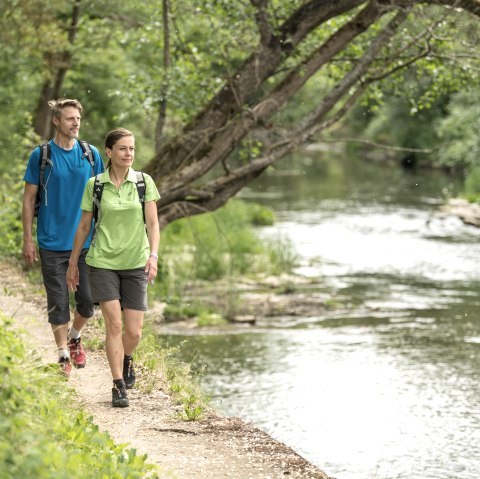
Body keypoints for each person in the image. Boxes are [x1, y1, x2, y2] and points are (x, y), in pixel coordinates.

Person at [66, 127, 160, 408]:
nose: (128, 153)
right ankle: (118, 385)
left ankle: (127, 358)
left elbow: (153, 224)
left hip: (136, 263)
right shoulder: (95, 185)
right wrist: (73, 262)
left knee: (134, 333)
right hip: (103, 262)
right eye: (122, 148)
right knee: (114, 324)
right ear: (109, 152)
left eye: (131, 149)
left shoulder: (144, 183)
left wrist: (153, 256)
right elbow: (84, 225)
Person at [22, 99, 104, 377]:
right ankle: (62, 356)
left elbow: (104, 198)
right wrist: (27, 240)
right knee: (58, 301)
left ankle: (75, 335)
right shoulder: (41, 156)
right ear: (56, 121)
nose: (76, 123)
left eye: (78, 118)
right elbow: (28, 199)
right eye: (70, 119)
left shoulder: (91, 154)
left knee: (87, 301)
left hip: (85, 244)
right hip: (51, 242)